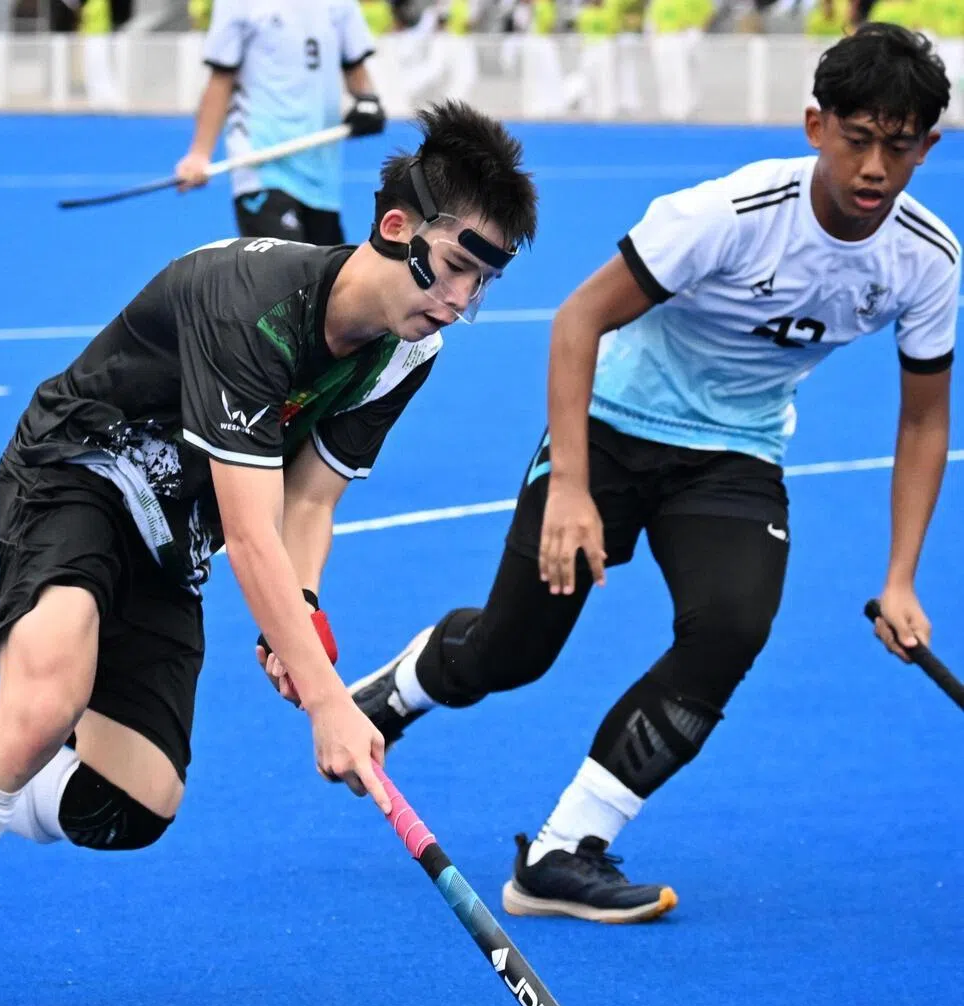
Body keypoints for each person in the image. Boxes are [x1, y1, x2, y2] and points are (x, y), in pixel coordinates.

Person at [0, 99, 538, 1006]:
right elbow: (252, 540)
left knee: (132, 803)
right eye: (455, 269)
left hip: (171, 530)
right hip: (79, 471)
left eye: (483, 285)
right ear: (398, 227)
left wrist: (306, 617)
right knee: (41, 703)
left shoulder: (407, 353)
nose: (458, 301)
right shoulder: (253, 306)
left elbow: (309, 502)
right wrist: (330, 700)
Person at [350, 24, 959, 924]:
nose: (875, 167)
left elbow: (923, 419)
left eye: (900, 146)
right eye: (857, 138)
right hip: (609, 431)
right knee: (512, 655)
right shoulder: (730, 215)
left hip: (735, 455)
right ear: (814, 125)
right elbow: (577, 321)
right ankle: (399, 687)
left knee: (731, 627)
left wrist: (901, 577)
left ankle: (563, 850)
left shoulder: (928, 259)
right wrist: (570, 487)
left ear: (930, 145)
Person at [175, 0, 387, 245]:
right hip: (261, 168)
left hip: (322, 178)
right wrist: (199, 154)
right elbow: (220, 79)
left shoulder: (341, 4)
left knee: (328, 282)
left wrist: (368, 102)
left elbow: (356, 69)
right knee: (288, 278)